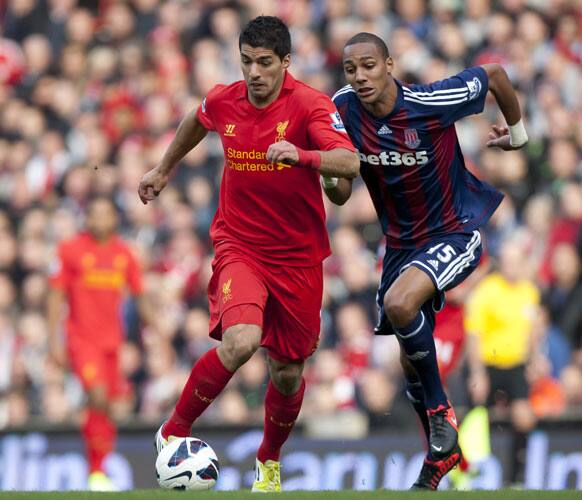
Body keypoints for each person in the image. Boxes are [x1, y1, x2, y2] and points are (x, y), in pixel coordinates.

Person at [138, 16, 358, 492]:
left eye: (263, 63)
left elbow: (350, 162)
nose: (254, 73)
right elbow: (196, 121)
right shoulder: (224, 99)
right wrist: (163, 168)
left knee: (286, 372)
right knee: (240, 341)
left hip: (298, 257)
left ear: (285, 62)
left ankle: (269, 460)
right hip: (239, 245)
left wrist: (302, 156)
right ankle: (173, 430)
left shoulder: (309, 106)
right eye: (246, 62)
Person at [328, 32, 528, 490]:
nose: (360, 77)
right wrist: (328, 175)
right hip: (400, 247)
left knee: (400, 306)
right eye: (351, 69)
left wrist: (518, 135)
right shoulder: (341, 108)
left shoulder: (432, 102)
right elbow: (340, 193)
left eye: (369, 66)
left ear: (390, 64)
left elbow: (495, 74)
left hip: (455, 232)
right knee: (407, 361)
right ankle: (441, 456)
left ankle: (442, 418)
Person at [47, 197, 151, 491]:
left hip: (112, 343)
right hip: (81, 340)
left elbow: (140, 297)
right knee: (98, 395)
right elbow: (55, 296)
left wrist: (157, 333)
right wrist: (53, 340)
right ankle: (95, 472)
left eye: (106, 214)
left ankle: (100, 469)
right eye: (94, 214)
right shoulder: (70, 251)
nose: (100, 220)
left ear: (114, 219)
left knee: (108, 406)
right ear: (87, 219)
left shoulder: (124, 254)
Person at [465, 238, 541, 486]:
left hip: (516, 364)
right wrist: (477, 373)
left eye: (516, 262)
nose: (511, 266)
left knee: (524, 417)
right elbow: (474, 335)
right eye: (507, 262)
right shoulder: (487, 291)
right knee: (478, 415)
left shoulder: (529, 291)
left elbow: (531, 331)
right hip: (489, 364)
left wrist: (534, 359)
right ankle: (471, 471)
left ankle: (518, 474)